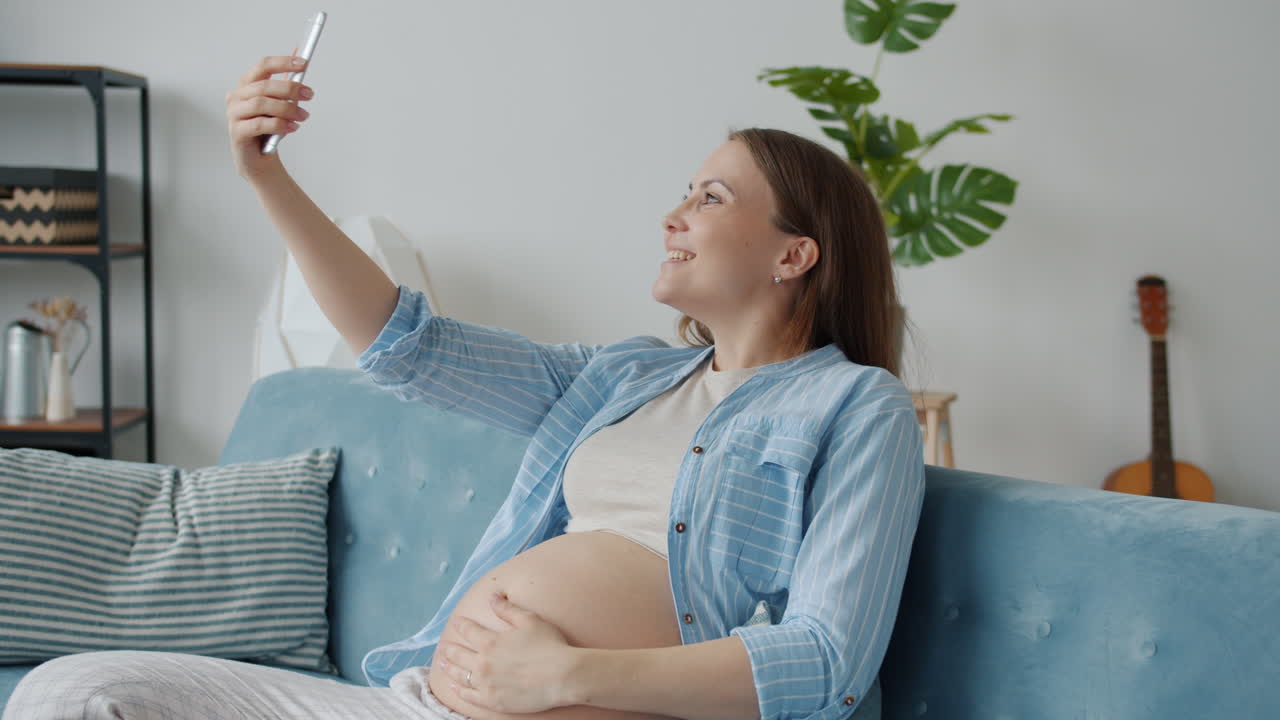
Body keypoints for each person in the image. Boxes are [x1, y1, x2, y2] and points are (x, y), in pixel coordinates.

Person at [4, 54, 926, 720]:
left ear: (795, 254)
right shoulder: (623, 376)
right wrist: (265, 174)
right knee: (72, 693)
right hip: (423, 703)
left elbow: (827, 661)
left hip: (570, 708)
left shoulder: (854, 409)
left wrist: (567, 677)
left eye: (711, 199)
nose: (672, 214)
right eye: (684, 191)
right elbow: (408, 346)